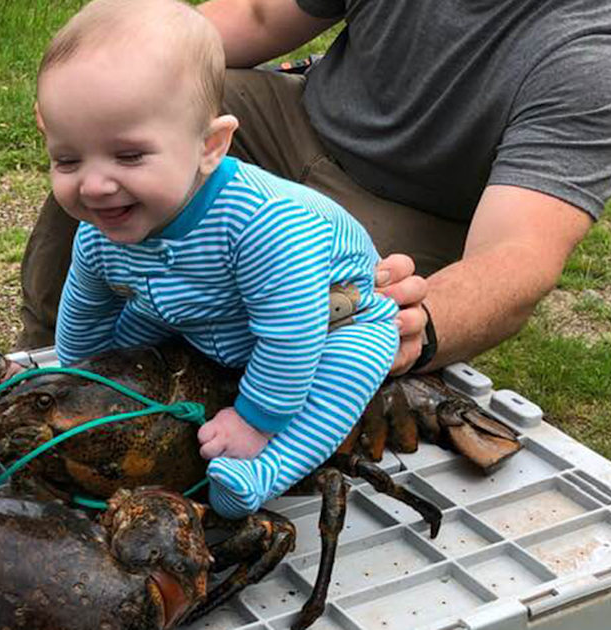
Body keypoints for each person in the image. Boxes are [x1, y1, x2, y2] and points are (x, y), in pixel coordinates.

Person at [20, 0, 611, 378]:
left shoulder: (593, 56)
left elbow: (517, 256)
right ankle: (51, 356)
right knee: (121, 136)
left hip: (404, 211)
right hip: (296, 119)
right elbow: (260, 16)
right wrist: (108, 75)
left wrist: (419, 325)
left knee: (314, 335)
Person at [37, 0, 398, 517]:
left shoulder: (263, 225)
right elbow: (86, 310)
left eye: (129, 155)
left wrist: (254, 419)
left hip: (330, 314)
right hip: (202, 301)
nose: (93, 185)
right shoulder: (103, 228)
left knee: (345, 370)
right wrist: (80, 382)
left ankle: (265, 470)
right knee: (133, 328)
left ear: (211, 145)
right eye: (67, 159)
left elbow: (290, 335)